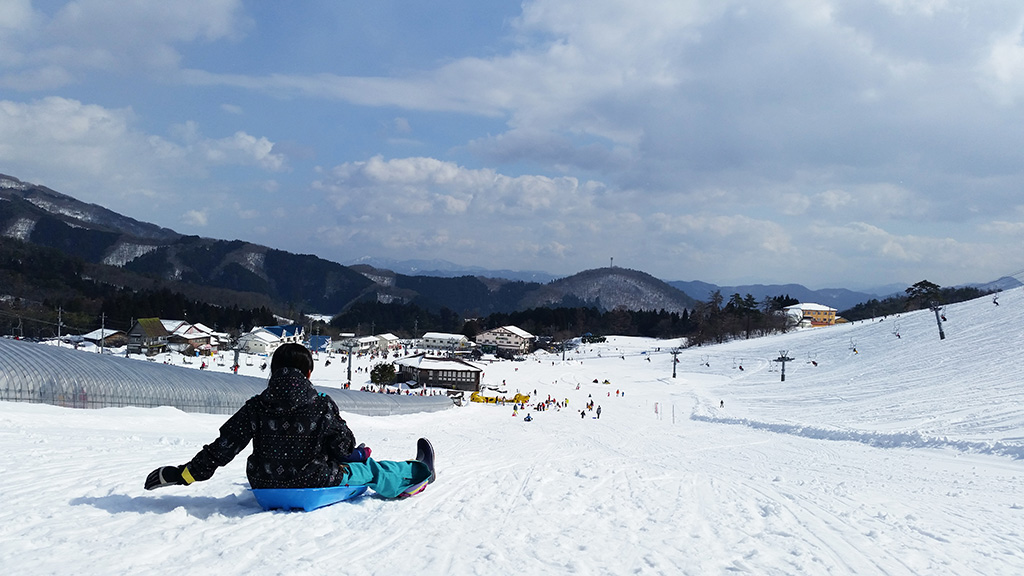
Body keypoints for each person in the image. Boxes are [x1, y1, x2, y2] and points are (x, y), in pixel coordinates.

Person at [144, 343, 435, 499]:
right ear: (308, 374)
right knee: (370, 468)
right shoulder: (321, 404)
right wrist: (355, 452)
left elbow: (224, 447)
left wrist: (184, 474)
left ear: (273, 372)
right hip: (313, 482)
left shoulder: (256, 406)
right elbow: (343, 448)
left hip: (263, 487)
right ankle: (418, 473)